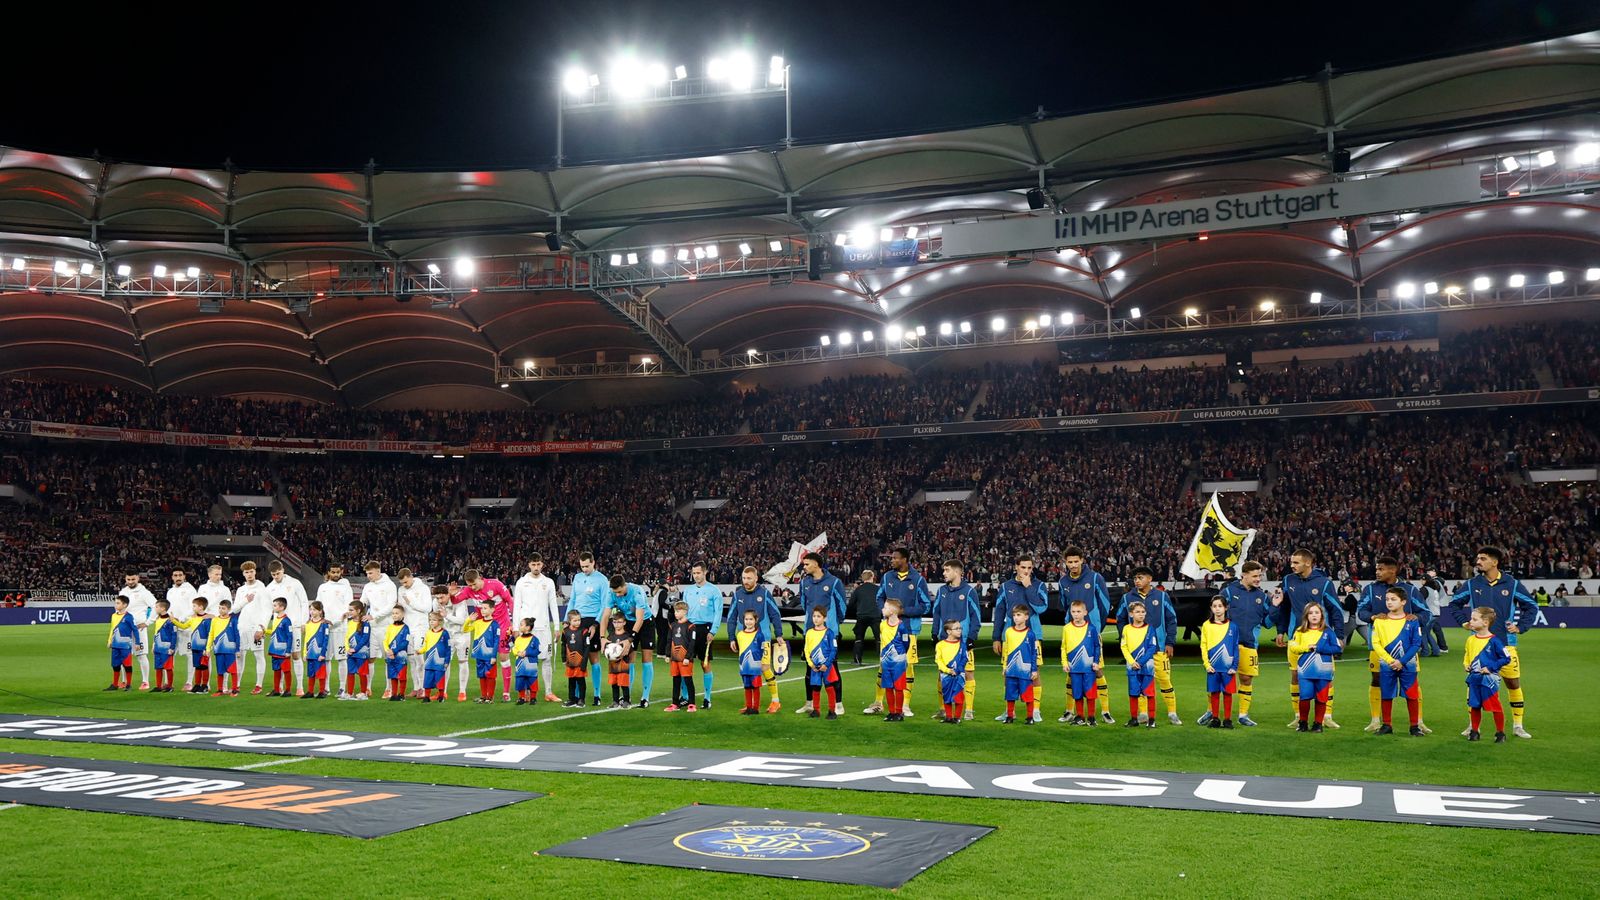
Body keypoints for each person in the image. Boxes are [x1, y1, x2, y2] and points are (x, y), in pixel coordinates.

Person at [1447, 546, 1538, 739]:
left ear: (1494, 562)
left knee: (1512, 684)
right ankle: (1473, 726)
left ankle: (1518, 725)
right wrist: (1464, 621)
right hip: (1478, 644)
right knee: (1474, 684)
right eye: (1478, 558)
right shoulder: (1472, 584)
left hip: (1505, 644)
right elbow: (1454, 603)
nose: (1478, 561)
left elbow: (1531, 605)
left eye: (1482, 558)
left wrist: (1520, 626)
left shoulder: (1511, 583)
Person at [1356, 556, 1431, 733]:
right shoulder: (1371, 589)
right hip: (1380, 646)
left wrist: (1417, 618)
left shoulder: (1410, 590)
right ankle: (1376, 720)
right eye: (1377, 569)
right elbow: (1361, 611)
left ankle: (1418, 721)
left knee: (1413, 682)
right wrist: (1373, 617)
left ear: (1393, 570)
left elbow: (1426, 612)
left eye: (1381, 569)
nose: (1377, 572)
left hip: (1406, 649)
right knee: (1377, 680)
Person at [1275, 548, 1345, 729]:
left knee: (1326, 677)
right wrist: (1281, 630)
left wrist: (1339, 636)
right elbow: (1284, 608)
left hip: (1321, 638)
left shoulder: (1323, 583)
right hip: (1296, 637)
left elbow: (1335, 610)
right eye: (1291, 562)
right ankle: (1299, 716)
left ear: (1308, 562)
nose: (1292, 565)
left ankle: (1326, 716)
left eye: (1295, 562)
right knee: (1295, 675)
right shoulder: (1288, 580)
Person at [1114, 567, 1181, 725]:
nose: (1137, 580)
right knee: (1141, 681)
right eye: (1135, 578)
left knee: (1164, 680)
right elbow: (1120, 619)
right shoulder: (1127, 598)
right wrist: (1126, 636)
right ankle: (1143, 713)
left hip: (1159, 649)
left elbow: (1171, 619)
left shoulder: (1162, 596)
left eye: (1140, 577)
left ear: (1150, 579)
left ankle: (1172, 712)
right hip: (1137, 651)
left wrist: (1170, 642)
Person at [1059, 548, 1114, 723]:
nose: (1073, 565)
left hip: (1091, 632)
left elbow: (1105, 604)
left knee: (1097, 670)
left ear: (1082, 560)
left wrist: (1097, 627)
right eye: (1070, 562)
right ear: (1065, 562)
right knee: (1071, 672)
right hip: (1072, 633)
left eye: (1076, 561)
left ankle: (1105, 710)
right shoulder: (1063, 582)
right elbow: (1063, 604)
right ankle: (1070, 711)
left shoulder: (1095, 578)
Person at [992, 554, 1048, 722]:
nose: (1026, 571)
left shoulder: (1038, 585)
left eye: (1030, 568)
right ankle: (1010, 711)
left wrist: (1028, 587)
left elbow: (1041, 608)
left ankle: (1035, 710)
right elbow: (1000, 611)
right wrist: (996, 637)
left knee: (1034, 672)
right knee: (1008, 674)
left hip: (1033, 636)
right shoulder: (1005, 586)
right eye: (1023, 567)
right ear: (1016, 567)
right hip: (1010, 636)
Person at [1218, 560, 1271, 726]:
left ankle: (1243, 715)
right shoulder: (1228, 592)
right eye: (1255, 576)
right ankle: (1212, 712)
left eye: (1260, 576)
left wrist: (1275, 607)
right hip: (1227, 644)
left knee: (1246, 678)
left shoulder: (1262, 596)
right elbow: (1215, 613)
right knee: (1221, 679)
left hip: (1250, 644)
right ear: (1244, 575)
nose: (1258, 579)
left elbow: (1268, 622)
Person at [930, 559, 982, 721]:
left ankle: (969, 710)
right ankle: (943, 709)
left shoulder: (969, 592)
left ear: (957, 572)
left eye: (946, 570)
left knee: (967, 673)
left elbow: (976, 616)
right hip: (945, 641)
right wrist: (934, 633)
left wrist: (972, 637)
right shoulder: (941, 591)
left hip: (963, 641)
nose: (943, 573)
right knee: (942, 674)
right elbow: (936, 613)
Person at [726, 567, 782, 713]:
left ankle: (775, 701)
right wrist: (732, 637)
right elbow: (731, 617)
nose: (746, 581)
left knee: (764, 668)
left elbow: (775, 614)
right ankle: (750, 705)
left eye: (749, 578)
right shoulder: (738, 595)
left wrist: (779, 633)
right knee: (747, 670)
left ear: (756, 578)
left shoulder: (764, 594)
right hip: (744, 640)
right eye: (744, 578)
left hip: (762, 639)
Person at [801, 552, 850, 715]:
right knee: (810, 668)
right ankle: (809, 703)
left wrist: (834, 623)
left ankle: (838, 704)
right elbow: (804, 604)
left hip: (829, 633)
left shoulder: (834, 582)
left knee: (832, 668)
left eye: (807, 564)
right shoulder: (805, 582)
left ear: (816, 564)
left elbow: (842, 605)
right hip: (810, 632)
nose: (805, 567)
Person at [1372, 586, 1425, 736]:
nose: (1389, 602)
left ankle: (1414, 726)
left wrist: (1401, 661)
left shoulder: (1412, 621)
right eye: (1387, 599)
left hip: (1408, 664)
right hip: (1387, 664)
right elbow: (1376, 643)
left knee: (1411, 694)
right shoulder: (1380, 621)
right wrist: (1390, 660)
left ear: (1403, 602)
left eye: (1393, 599)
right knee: (1387, 693)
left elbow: (1416, 643)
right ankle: (1387, 725)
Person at [513, 554, 563, 704]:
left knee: (546, 659)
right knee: (526, 659)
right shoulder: (522, 582)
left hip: (544, 627)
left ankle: (548, 692)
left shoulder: (548, 582)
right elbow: (517, 605)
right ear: (529, 565)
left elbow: (553, 604)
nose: (536, 567)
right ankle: (527, 692)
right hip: (527, 629)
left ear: (542, 565)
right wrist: (516, 627)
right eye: (533, 564)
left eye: (538, 564)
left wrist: (557, 626)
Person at [604, 574, 657, 708]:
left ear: (624, 585)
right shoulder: (611, 593)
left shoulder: (637, 592)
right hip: (629, 623)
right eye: (616, 592)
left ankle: (645, 696)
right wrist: (602, 638)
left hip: (645, 623)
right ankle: (627, 694)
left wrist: (629, 639)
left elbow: (639, 619)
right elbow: (605, 615)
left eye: (620, 592)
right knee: (628, 659)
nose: (618, 595)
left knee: (646, 658)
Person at [1288, 601, 1341, 732]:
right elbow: (1293, 647)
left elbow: (1337, 648)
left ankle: (1318, 724)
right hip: (1305, 670)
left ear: (1322, 615)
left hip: (1324, 670)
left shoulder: (1328, 632)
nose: (1314, 615)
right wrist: (1306, 648)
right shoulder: (1300, 631)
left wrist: (1321, 648)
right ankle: (1303, 723)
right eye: (1310, 613)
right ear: (1306, 616)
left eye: (1317, 612)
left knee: (1321, 698)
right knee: (1305, 696)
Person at [1463, 606, 1512, 743]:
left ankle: (1500, 733)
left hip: (1489, 679)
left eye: (1474, 619)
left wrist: (1491, 667)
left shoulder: (1495, 641)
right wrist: (1466, 664)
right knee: (1474, 705)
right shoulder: (1471, 640)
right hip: (1474, 678)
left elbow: (1506, 658)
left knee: (1494, 705)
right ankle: (1474, 731)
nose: (1470, 622)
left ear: (1485, 622)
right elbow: (1468, 654)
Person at [680, 561, 724, 710]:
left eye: (698, 573)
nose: (696, 575)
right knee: (685, 662)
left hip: (705, 629)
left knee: (705, 664)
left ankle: (707, 698)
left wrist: (713, 631)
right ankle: (685, 697)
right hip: (689, 628)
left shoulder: (714, 591)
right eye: (694, 573)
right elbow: (683, 610)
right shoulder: (688, 590)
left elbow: (718, 612)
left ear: (705, 572)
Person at [568, 552, 610, 706]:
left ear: (594, 563)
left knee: (593, 658)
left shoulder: (602, 580)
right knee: (576, 658)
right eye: (582, 566)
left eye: (587, 566)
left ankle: (597, 695)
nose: (584, 569)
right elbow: (572, 599)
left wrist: (596, 624)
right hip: (576, 620)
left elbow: (605, 604)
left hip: (592, 620)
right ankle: (578, 696)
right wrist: (567, 620)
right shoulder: (577, 578)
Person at [265, 560, 310, 696]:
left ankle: (300, 687)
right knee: (279, 657)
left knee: (295, 655)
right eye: (273, 575)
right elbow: (267, 608)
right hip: (278, 627)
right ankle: (279, 688)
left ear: (283, 570)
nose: (276, 576)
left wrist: (303, 621)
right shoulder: (269, 588)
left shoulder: (294, 583)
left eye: (278, 573)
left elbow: (304, 601)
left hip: (295, 625)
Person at [1059, 599, 1103, 726]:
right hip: (1074, 668)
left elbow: (1096, 646)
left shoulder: (1091, 628)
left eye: (1079, 611)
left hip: (1089, 668)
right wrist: (1064, 663)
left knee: (1090, 693)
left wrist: (1096, 662)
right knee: (1077, 693)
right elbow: (1064, 647)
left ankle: (1091, 717)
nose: (1076, 614)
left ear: (1085, 612)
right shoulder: (1067, 628)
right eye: (1073, 612)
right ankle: (1080, 716)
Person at [231, 562, 270, 696]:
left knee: (258, 655)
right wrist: (245, 601)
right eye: (246, 572)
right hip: (242, 627)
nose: (249, 574)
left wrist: (262, 627)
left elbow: (267, 609)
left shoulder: (262, 588)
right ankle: (236, 685)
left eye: (251, 571)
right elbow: (235, 609)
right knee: (240, 656)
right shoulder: (241, 590)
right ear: (243, 574)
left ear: (255, 572)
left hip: (255, 627)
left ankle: (258, 685)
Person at [314, 564, 353, 696]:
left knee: (342, 658)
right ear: (329, 572)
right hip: (325, 627)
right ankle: (326, 687)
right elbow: (318, 606)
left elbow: (349, 606)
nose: (335, 574)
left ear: (341, 571)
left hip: (341, 628)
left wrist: (338, 620)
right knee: (325, 658)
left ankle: (342, 688)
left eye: (337, 572)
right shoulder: (323, 587)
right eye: (333, 572)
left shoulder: (346, 587)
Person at [1201, 596, 1239, 729]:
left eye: (1220, 606)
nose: (1217, 609)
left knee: (1228, 693)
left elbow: (1235, 647)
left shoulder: (1233, 626)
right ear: (1211, 608)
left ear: (1225, 607)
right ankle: (1215, 718)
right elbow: (1203, 646)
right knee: (1214, 692)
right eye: (1214, 606)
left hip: (1228, 668)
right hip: (1213, 667)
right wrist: (1207, 664)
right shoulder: (1206, 625)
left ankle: (1227, 720)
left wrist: (1234, 666)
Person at [1120, 600, 1160, 727]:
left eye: (1143, 612)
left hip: (1147, 667)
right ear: (1131, 614)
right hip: (1132, 668)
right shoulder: (1126, 629)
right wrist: (1132, 662)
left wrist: (1140, 662)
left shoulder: (1150, 629)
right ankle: (1134, 719)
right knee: (1133, 693)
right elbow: (1124, 647)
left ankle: (1152, 720)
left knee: (1150, 694)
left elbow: (1152, 648)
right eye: (1137, 612)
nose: (1141, 614)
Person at [397, 567, 434, 698]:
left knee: (420, 658)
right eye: (402, 583)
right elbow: (402, 609)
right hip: (407, 628)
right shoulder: (401, 590)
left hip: (420, 628)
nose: (404, 585)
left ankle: (424, 688)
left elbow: (428, 608)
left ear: (411, 577)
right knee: (411, 659)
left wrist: (411, 602)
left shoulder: (423, 588)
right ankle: (416, 688)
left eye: (406, 582)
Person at [363, 562, 399, 698]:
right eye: (367, 573)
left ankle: (388, 688)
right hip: (372, 628)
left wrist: (374, 616)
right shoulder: (367, 587)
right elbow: (363, 602)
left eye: (370, 573)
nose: (368, 576)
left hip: (386, 626)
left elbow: (391, 605)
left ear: (378, 571)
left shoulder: (389, 585)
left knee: (388, 658)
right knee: (370, 658)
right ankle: (367, 687)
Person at [1000, 604, 1040, 725]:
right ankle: (1010, 716)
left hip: (1025, 670)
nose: (1016, 618)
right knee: (1010, 694)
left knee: (1028, 694)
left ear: (1026, 617)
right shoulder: (1008, 632)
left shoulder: (1030, 634)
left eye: (1019, 615)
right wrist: (1004, 666)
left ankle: (1030, 717)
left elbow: (1034, 653)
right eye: (1014, 615)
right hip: (1011, 669)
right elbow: (1006, 651)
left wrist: (1034, 670)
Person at [116, 571, 157, 691]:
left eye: (133, 579)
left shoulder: (144, 593)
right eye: (128, 579)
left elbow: (155, 606)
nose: (130, 582)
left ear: (138, 578)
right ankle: (124, 681)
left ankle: (145, 681)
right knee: (124, 654)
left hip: (139, 628)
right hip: (125, 628)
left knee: (141, 654)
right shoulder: (123, 592)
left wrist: (149, 622)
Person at [194, 565, 230, 690]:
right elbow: (198, 605)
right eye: (216, 574)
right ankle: (206, 683)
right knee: (206, 653)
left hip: (219, 623)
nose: (219, 576)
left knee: (222, 654)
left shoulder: (225, 589)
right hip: (204, 624)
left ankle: (224, 685)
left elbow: (228, 607)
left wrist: (214, 615)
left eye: (220, 574)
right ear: (209, 575)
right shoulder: (202, 588)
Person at [876, 599, 913, 722]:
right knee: (888, 687)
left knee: (898, 687)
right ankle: (891, 712)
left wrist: (900, 657)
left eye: (885, 607)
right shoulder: (882, 625)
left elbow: (906, 643)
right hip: (886, 662)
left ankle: (899, 712)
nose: (882, 609)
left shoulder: (902, 627)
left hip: (898, 663)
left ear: (892, 611)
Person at [804, 606, 841, 720]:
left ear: (824, 618)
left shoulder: (829, 633)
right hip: (814, 667)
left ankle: (832, 711)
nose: (815, 619)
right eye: (814, 616)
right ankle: (816, 710)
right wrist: (811, 664)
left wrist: (827, 664)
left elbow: (833, 649)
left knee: (829, 687)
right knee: (815, 687)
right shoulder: (809, 632)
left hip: (827, 667)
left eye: (818, 616)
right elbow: (806, 649)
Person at [165, 568, 198, 691]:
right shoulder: (170, 591)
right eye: (175, 575)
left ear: (184, 576)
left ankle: (189, 682)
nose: (178, 577)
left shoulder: (190, 590)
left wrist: (182, 618)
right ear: (172, 577)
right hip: (173, 627)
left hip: (187, 627)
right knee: (169, 653)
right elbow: (169, 608)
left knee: (189, 654)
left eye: (180, 575)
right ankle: (168, 682)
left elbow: (194, 607)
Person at [466, 597, 502, 703]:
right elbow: (465, 629)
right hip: (479, 654)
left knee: (490, 676)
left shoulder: (495, 625)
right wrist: (468, 620)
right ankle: (483, 696)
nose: (482, 610)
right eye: (481, 608)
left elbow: (496, 641)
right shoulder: (477, 623)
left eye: (485, 608)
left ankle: (490, 697)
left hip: (489, 655)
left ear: (492, 610)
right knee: (481, 675)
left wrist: (493, 656)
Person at [664, 601, 697, 712]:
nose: (675, 613)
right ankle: (675, 704)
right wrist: (668, 654)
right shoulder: (672, 625)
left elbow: (692, 643)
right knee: (676, 681)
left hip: (685, 659)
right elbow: (669, 640)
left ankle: (692, 703)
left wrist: (688, 657)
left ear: (685, 611)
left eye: (678, 611)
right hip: (675, 658)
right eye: (675, 611)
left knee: (688, 680)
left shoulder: (691, 626)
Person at [934, 619, 968, 725]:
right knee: (947, 695)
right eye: (957, 628)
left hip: (959, 675)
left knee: (958, 696)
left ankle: (957, 717)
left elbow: (964, 658)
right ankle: (948, 717)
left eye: (960, 628)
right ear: (948, 631)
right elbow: (938, 660)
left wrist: (957, 670)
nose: (960, 631)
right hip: (945, 675)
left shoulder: (962, 645)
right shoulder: (940, 645)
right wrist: (947, 670)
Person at [176, 595, 212, 694]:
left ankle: (204, 686)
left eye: (194, 606)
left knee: (204, 666)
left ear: (201, 607)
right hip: (195, 646)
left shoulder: (207, 620)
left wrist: (207, 648)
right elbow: (183, 626)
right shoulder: (193, 618)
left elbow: (210, 634)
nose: (193, 608)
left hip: (203, 648)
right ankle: (196, 685)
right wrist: (174, 621)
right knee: (197, 666)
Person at [105, 595, 141, 691]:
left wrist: (138, 643)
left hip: (125, 646)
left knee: (127, 665)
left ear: (125, 605)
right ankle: (115, 684)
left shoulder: (129, 617)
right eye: (115, 603)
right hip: (115, 645)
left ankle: (128, 684)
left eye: (118, 603)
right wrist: (109, 641)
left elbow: (135, 630)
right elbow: (112, 629)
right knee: (115, 665)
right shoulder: (114, 616)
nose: (115, 605)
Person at [735, 609, 767, 716]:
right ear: (743, 620)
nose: (748, 622)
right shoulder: (740, 634)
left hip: (755, 666)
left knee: (755, 686)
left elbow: (762, 649)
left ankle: (755, 708)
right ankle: (748, 707)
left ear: (756, 620)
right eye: (746, 619)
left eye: (751, 619)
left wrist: (762, 662)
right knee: (747, 687)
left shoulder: (759, 635)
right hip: (744, 665)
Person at [262, 597, 295, 697]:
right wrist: (265, 631)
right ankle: (276, 690)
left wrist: (288, 650)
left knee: (286, 670)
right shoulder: (276, 619)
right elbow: (274, 632)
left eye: (275, 605)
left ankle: (288, 690)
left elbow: (290, 636)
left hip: (283, 650)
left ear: (282, 607)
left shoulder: (287, 620)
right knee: (276, 669)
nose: (274, 607)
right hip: (274, 649)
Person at [340, 599, 371, 701]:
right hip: (351, 653)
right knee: (350, 672)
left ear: (358, 611)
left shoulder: (365, 623)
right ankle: (349, 693)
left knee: (362, 673)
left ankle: (363, 693)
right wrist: (348, 649)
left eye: (351, 610)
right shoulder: (349, 622)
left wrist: (355, 649)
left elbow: (365, 638)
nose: (349, 612)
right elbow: (346, 637)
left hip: (361, 653)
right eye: (349, 610)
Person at [209, 598, 242, 697]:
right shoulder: (214, 620)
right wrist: (208, 648)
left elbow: (237, 635)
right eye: (219, 608)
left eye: (223, 608)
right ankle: (220, 690)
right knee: (220, 671)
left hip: (230, 650)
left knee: (232, 670)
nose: (220, 610)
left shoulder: (233, 620)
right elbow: (211, 634)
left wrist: (237, 649)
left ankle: (235, 689)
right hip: (218, 650)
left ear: (228, 609)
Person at [602, 612, 634, 708]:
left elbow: (630, 649)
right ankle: (615, 702)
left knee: (623, 684)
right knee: (614, 684)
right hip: (612, 666)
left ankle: (627, 701)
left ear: (624, 623)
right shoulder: (610, 636)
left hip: (623, 665)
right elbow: (606, 649)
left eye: (619, 622)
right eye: (615, 622)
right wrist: (607, 653)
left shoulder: (627, 637)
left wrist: (622, 653)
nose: (617, 624)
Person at [561, 609, 591, 708]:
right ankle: (572, 699)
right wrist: (564, 659)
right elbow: (563, 645)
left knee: (580, 680)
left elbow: (587, 647)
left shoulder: (584, 631)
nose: (578, 622)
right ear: (569, 621)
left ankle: (581, 699)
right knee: (571, 681)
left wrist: (584, 662)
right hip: (570, 661)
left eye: (579, 620)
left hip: (580, 661)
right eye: (575, 620)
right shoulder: (565, 631)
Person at [301, 600, 331, 699]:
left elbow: (325, 640)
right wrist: (304, 653)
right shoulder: (308, 624)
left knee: (321, 673)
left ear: (320, 611)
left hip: (319, 654)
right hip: (310, 653)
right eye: (310, 609)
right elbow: (306, 639)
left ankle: (322, 691)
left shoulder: (324, 624)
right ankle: (310, 691)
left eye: (314, 609)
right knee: (311, 673)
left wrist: (323, 653)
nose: (312, 612)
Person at [419, 609, 451, 703]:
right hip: (429, 661)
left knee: (440, 679)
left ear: (440, 621)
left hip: (440, 662)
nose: (431, 622)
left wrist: (446, 661)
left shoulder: (445, 633)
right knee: (428, 679)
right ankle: (427, 696)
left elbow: (448, 648)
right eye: (430, 620)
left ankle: (441, 696)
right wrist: (420, 651)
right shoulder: (428, 632)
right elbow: (425, 646)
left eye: (434, 620)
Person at [850, 569, 880, 665]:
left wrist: (858, 609)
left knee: (859, 638)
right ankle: (883, 659)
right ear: (872, 577)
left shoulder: (858, 590)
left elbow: (851, 604)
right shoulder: (878, 589)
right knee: (879, 638)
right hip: (875, 616)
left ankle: (857, 659)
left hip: (861, 616)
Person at [382, 604, 410, 703]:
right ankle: (394, 694)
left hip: (401, 655)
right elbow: (385, 640)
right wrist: (388, 651)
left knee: (402, 676)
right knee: (393, 675)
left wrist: (394, 651)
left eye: (397, 613)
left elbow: (405, 642)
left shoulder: (406, 628)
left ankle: (401, 694)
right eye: (393, 613)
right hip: (390, 656)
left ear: (402, 615)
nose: (394, 615)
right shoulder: (389, 627)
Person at [149, 599, 177, 692]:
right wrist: (153, 645)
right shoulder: (158, 619)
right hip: (158, 647)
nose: (155, 608)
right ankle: (158, 686)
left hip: (167, 647)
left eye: (157, 607)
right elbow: (156, 632)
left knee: (168, 667)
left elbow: (174, 634)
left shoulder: (170, 620)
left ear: (163, 608)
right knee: (158, 667)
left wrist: (172, 647)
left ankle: (170, 686)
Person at [511, 617, 541, 706]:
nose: (519, 626)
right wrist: (518, 653)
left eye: (521, 625)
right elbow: (514, 648)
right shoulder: (518, 639)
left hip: (531, 664)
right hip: (519, 664)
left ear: (528, 627)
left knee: (532, 681)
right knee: (520, 680)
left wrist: (527, 652)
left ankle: (533, 698)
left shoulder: (534, 639)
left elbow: (537, 651)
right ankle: (521, 698)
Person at [1422, 568, 1449, 656]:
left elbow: (1421, 600)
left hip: (1430, 613)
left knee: (1424, 632)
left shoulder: (1428, 588)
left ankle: (1426, 651)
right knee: (1430, 631)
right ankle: (1438, 649)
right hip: (1436, 612)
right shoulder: (1434, 588)